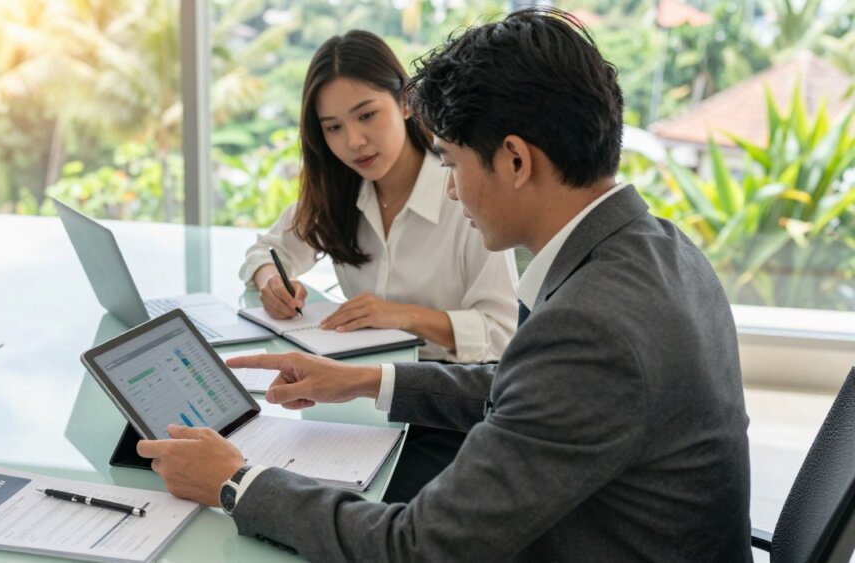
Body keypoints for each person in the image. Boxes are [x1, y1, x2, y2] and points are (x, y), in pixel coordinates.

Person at [137, 8, 753, 561]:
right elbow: (533, 388)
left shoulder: (592, 325)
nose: (451, 188)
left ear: (515, 160)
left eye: (453, 162)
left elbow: (419, 548)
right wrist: (365, 380)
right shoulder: (661, 247)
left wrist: (237, 482)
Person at [238, 29, 518, 364]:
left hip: (453, 397)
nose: (354, 141)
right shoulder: (341, 191)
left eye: (366, 115)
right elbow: (265, 252)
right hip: (363, 385)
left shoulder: (463, 195)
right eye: (333, 127)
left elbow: (502, 334)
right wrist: (272, 282)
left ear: (405, 103)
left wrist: (402, 316)